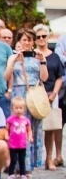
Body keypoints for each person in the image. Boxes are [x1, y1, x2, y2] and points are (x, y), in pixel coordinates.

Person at [5, 29, 48, 177]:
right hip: (19, 95)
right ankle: (17, 166)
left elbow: (44, 77)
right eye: (24, 39)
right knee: (18, 130)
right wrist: (14, 61)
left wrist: (42, 61)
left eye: (30, 40)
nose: (27, 42)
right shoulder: (13, 56)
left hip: (34, 95)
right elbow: (6, 76)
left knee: (33, 130)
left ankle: (29, 167)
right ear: (19, 41)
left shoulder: (37, 57)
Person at [33, 24, 64, 170]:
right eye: (38, 37)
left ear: (47, 37)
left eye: (43, 36)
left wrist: (53, 93)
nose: (41, 39)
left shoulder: (55, 56)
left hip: (51, 94)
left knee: (50, 128)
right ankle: (31, 159)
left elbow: (59, 77)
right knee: (31, 127)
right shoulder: (31, 55)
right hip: (34, 95)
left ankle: (49, 158)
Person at [5, 96, 33, 179]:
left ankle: (23, 174)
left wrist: (30, 137)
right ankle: (11, 174)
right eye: (16, 108)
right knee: (13, 160)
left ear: (24, 108)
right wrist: (6, 136)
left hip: (22, 144)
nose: (18, 110)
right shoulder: (10, 119)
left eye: (21, 108)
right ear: (12, 108)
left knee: (22, 160)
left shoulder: (26, 120)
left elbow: (29, 130)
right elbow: (6, 129)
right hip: (13, 144)